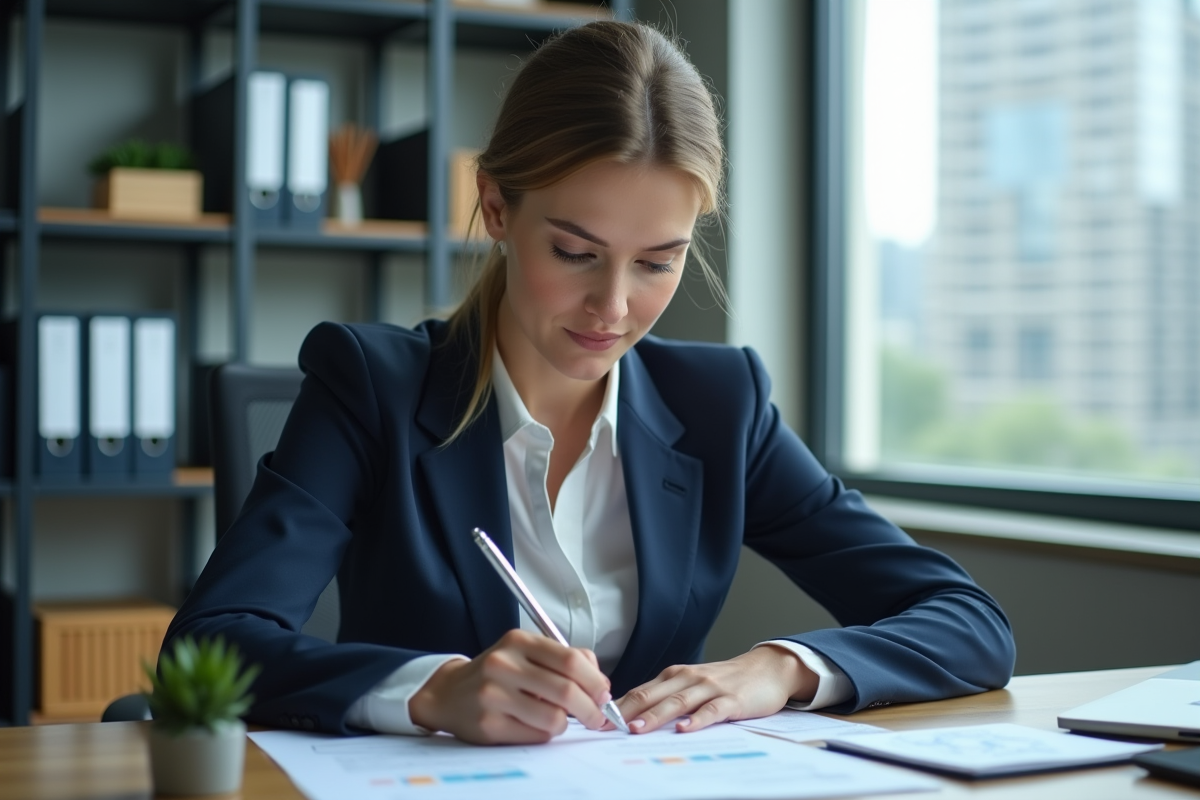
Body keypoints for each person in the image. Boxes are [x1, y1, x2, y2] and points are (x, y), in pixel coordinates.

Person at [165, 20, 1014, 745]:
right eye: (574, 252)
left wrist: (781, 669)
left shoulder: (721, 406)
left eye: (658, 262)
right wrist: (431, 691)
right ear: (496, 208)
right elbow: (211, 645)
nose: (613, 307)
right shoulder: (369, 386)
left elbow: (968, 622)